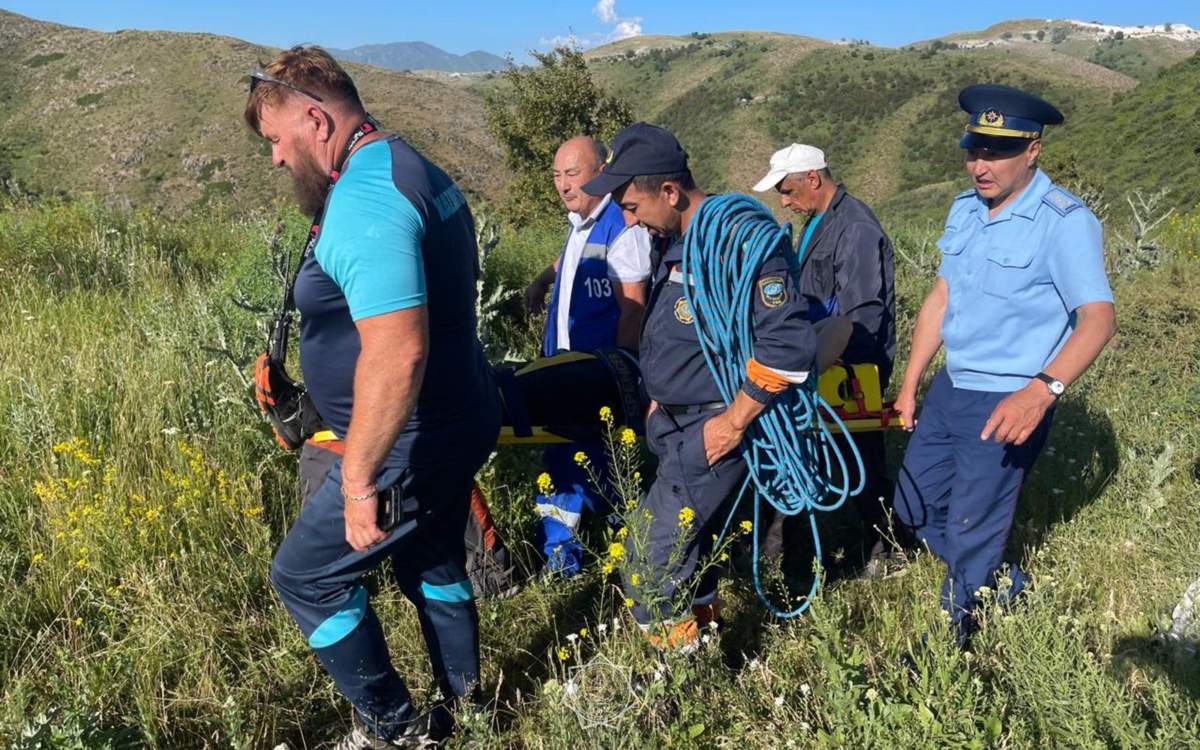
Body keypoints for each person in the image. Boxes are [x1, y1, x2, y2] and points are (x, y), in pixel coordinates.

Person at [244, 46, 501, 748]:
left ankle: (395, 732)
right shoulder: (408, 166)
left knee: (305, 578)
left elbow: (398, 351)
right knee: (435, 555)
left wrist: (358, 481)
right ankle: (467, 710)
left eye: (276, 140)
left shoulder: (366, 199)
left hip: (406, 437)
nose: (273, 160)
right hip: (455, 414)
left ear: (316, 121)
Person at [892, 84, 1117, 647]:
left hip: (1009, 399)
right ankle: (1004, 584)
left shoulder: (1064, 221)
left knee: (971, 525)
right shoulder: (965, 209)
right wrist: (911, 383)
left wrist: (1042, 392)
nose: (980, 165)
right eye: (974, 150)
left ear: (1033, 150)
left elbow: (1097, 319)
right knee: (912, 504)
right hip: (952, 386)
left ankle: (949, 647)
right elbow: (942, 296)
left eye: (997, 152)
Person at [581, 123, 819, 648]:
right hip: (675, 422)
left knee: (648, 560)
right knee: (692, 544)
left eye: (631, 204)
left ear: (669, 192)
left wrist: (731, 425)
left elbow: (785, 350)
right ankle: (704, 636)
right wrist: (658, 401)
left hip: (713, 427)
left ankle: (678, 683)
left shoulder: (743, 242)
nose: (627, 217)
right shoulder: (678, 240)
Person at [752, 143, 899, 577]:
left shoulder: (855, 228)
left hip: (851, 367)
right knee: (804, 457)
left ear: (812, 179)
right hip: (815, 363)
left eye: (787, 189)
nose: (784, 200)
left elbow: (861, 314)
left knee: (860, 463)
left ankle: (887, 550)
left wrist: (823, 361)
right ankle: (781, 556)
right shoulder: (817, 221)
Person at [524, 136, 652, 577]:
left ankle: (619, 554)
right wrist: (542, 279)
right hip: (565, 371)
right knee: (566, 459)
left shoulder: (622, 226)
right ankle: (566, 556)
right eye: (557, 175)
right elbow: (572, 259)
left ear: (600, 172)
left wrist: (620, 372)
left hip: (596, 378)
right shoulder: (582, 222)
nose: (562, 185)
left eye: (572, 174)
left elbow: (632, 306)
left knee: (595, 463)